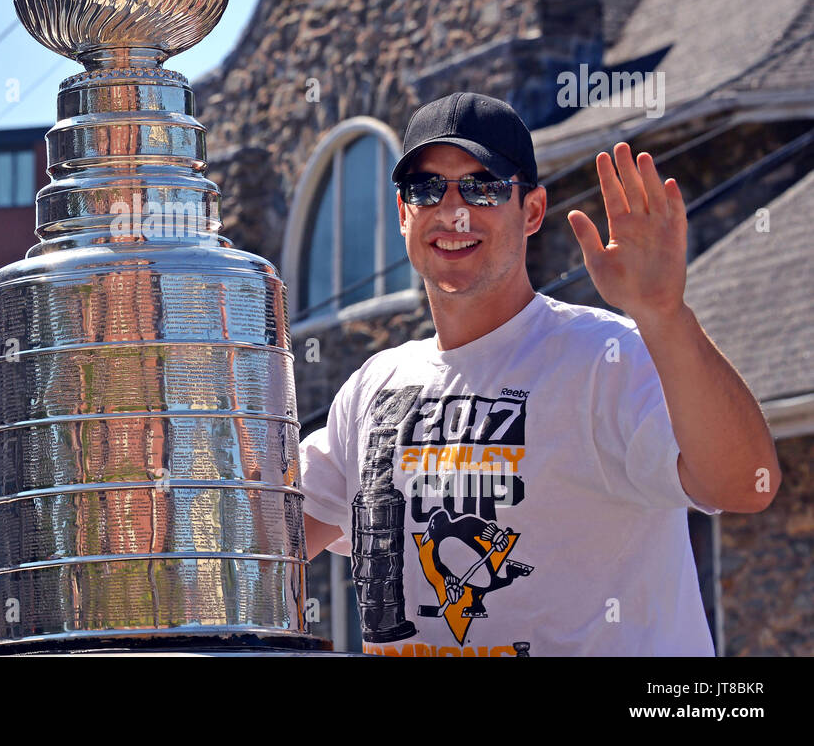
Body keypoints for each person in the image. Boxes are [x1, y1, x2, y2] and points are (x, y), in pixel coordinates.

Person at [298, 91, 781, 656]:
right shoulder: (374, 386)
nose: (454, 211)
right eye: (428, 189)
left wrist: (664, 314)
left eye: (483, 188)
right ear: (404, 213)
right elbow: (258, 544)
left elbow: (746, 485)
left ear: (530, 211)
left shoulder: (607, 355)